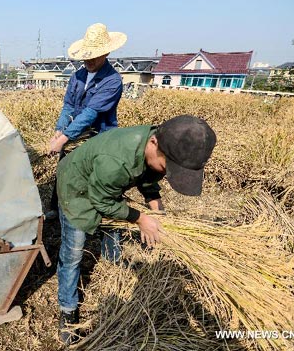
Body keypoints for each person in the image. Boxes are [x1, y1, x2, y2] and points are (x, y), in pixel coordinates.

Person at [56, 115, 217, 345]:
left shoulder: (156, 141)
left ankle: (113, 262)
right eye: (167, 167)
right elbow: (101, 201)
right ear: (153, 143)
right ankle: (68, 310)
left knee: (114, 223)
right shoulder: (116, 162)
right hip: (76, 188)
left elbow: (148, 174)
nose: (166, 172)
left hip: (103, 183)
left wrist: (154, 204)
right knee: (73, 253)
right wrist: (140, 218)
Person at [48, 22, 127, 220]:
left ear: (106, 53)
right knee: (64, 170)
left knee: (90, 177)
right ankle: (56, 209)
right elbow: (68, 105)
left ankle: (89, 215)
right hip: (74, 133)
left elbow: (91, 113)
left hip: (97, 137)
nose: (89, 60)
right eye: (86, 56)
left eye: (94, 55)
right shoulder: (78, 76)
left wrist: (65, 138)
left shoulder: (112, 81)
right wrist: (60, 129)